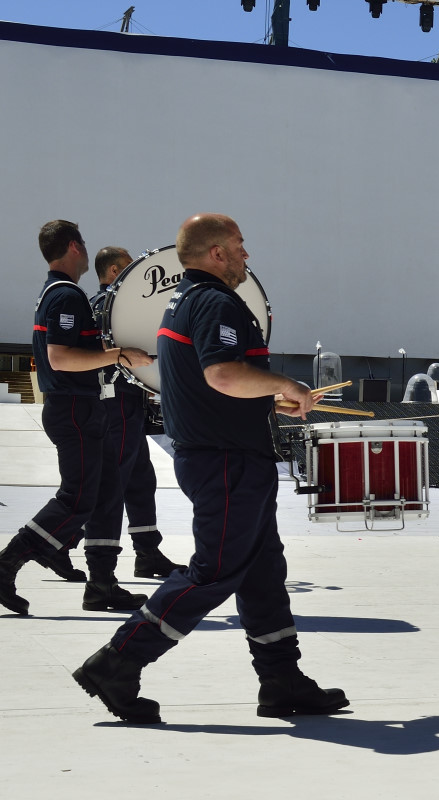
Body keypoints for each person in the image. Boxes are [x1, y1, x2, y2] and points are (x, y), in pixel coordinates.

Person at [73, 214, 347, 724]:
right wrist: (285, 385)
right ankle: (117, 662)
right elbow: (223, 374)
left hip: (223, 454)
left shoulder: (183, 302)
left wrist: (267, 400)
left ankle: (280, 678)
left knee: (263, 570)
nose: (248, 256)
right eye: (241, 246)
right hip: (228, 461)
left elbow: (208, 384)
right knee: (213, 573)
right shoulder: (218, 302)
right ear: (217, 253)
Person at [0, 221, 153, 616]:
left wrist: (112, 349)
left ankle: (102, 585)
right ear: (73, 247)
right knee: (77, 498)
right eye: (82, 243)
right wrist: (118, 355)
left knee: (103, 495)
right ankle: (5, 564)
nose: (86, 249)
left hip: (81, 406)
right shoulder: (66, 295)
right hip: (72, 407)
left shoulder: (60, 293)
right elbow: (61, 357)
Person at [81, 246, 186, 581]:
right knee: (113, 483)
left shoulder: (117, 307)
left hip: (129, 404)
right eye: (128, 269)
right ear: (114, 272)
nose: (135, 276)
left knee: (141, 479)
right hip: (114, 404)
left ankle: (147, 553)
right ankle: (90, 559)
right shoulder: (103, 307)